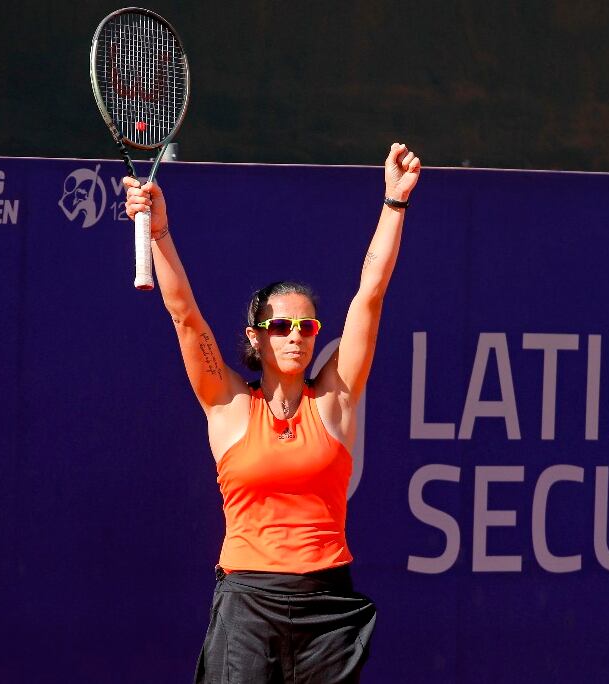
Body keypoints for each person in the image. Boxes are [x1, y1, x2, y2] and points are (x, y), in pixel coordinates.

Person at [123, 142, 421, 683]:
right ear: (256, 338)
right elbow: (185, 315)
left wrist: (393, 203)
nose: (295, 336)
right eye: (280, 326)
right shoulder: (229, 403)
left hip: (326, 603)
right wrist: (159, 232)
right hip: (246, 605)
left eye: (306, 327)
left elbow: (370, 295)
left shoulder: (335, 400)